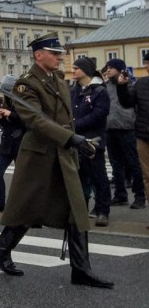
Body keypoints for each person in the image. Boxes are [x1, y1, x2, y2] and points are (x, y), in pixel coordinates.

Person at [0, 35, 113, 288]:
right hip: (39, 155)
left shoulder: (58, 80)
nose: (60, 57)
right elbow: (36, 121)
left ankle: (80, 269)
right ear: (38, 55)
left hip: (63, 153)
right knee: (27, 209)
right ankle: (1, 250)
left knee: (77, 208)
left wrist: (78, 139)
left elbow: (68, 116)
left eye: (60, 53)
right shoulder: (26, 85)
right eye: (54, 53)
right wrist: (71, 138)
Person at [71, 56, 111, 226]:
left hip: (94, 140)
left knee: (98, 177)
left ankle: (103, 211)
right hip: (77, 140)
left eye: (75, 68)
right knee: (79, 178)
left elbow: (98, 115)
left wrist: (74, 125)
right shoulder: (74, 90)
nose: (72, 71)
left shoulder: (99, 91)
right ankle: (81, 210)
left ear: (84, 70)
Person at [102, 59, 145, 209]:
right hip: (110, 129)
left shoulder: (130, 86)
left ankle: (140, 196)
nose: (108, 70)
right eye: (107, 67)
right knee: (115, 164)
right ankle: (120, 195)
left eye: (111, 68)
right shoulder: (105, 87)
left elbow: (134, 105)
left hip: (127, 129)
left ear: (120, 70)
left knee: (134, 164)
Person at [0, 76, 25, 213]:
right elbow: (6, 125)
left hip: (20, 143)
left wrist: (10, 114)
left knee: (22, 178)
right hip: (7, 143)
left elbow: (27, 121)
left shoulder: (23, 101)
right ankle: (0, 202)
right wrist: (1, 118)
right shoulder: (5, 102)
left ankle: (23, 206)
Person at [116, 55, 149, 224]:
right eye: (147, 63)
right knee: (147, 176)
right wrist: (122, 86)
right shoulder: (142, 83)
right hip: (144, 135)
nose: (147, 66)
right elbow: (127, 102)